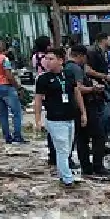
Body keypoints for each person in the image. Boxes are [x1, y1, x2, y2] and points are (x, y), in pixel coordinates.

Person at [32, 47, 84, 187]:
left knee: (67, 149)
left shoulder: (68, 74)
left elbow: (76, 93)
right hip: (55, 119)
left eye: (51, 59)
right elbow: (38, 100)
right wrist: (38, 119)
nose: (47, 62)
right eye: (46, 59)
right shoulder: (43, 79)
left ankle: (63, 173)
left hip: (70, 116)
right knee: (61, 149)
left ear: (60, 60)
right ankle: (68, 179)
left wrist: (83, 112)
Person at [69, 43, 108, 175]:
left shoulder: (66, 68)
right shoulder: (76, 69)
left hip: (74, 108)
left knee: (82, 139)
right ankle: (98, 166)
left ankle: (86, 167)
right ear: (80, 56)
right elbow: (78, 89)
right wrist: (93, 89)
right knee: (98, 136)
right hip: (85, 106)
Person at [0, 38, 25, 144]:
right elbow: (9, 75)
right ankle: (17, 136)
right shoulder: (4, 58)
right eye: (1, 44)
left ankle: (7, 136)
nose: (2, 45)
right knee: (17, 112)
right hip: (6, 87)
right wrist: (18, 87)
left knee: (3, 114)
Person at [86, 33, 110, 142]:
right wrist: (104, 76)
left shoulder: (105, 53)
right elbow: (88, 70)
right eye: (109, 39)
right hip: (100, 86)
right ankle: (101, 137)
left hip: (109, 85)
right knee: (105, 114)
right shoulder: (92, 52)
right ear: (103, 40)